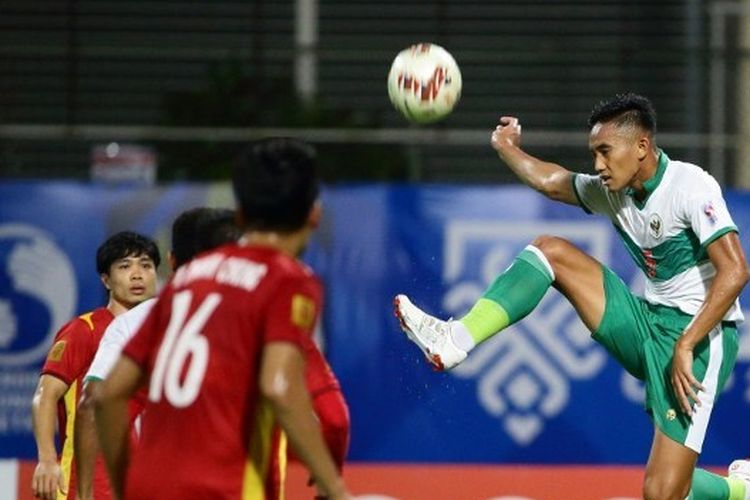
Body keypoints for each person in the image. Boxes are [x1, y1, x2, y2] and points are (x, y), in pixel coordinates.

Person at [394, 93, 750, 500]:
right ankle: (455, 340)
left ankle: (739, 489)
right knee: (551, 252)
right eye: (593, 153)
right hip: (646, 322)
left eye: (604, 151)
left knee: (664, 493)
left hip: (700, 343)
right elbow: (552, 182)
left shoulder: (691, 185)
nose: (597, 165)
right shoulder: (612, 189)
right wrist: (507, 147)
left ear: (641, 147)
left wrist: (687, 343)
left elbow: (736, 270)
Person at [95, 138, 351, 500]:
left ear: (242, 215)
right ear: (314, 214)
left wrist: (127, 489)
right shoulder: (288, 279)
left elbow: (107, 395)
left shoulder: (186, 279)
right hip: (222, 490)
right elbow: (279, 387)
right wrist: (336, 489)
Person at [74, 207, 241, 500]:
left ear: (172, 261)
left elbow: (93, 404)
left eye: (145, 265)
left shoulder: (134, 324)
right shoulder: (256, 319)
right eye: (125, 266)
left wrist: (88, 494)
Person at [31, 231, 159, 500]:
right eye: (125, 266)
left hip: (142, 483)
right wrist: (46, 459)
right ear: (106, 279)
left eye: (146, 265)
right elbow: (45, 395)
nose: (137, 274)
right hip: (88, 487)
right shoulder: (84, 330)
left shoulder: (166, 331)